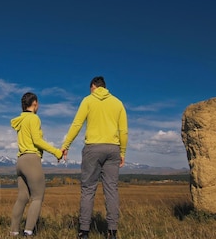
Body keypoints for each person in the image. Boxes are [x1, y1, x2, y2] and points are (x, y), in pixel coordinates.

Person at [61, 76, 128, 239]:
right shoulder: (118, 103)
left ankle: (83, 232)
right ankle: (112, 232)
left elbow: (77, 124)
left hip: (92, 149)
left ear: (93, 87)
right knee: (111, 190)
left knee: (88, 190)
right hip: (113, 149)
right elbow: (123, 131)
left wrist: (66, 145)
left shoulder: (88, 100)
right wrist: (122, 152)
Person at [10, 92, 63, 237]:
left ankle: (13, 232)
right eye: (38, 103)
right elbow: (37, 141)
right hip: (32, 160)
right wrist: (56, 152)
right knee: (38, 197)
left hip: (20, 161)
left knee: (22, 197)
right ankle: (28, 232)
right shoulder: (34, 118)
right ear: (34, 104)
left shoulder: (20, 120)